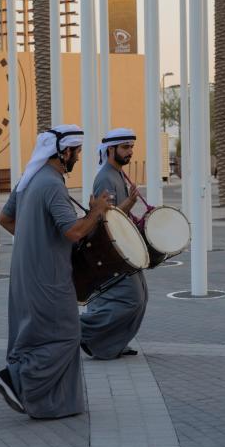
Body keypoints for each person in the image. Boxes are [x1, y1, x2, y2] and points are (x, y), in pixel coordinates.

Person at [0, 124, 110, 419]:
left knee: (35, 336)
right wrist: (96, 212)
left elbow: (5, 219)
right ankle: (15, 378)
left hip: (25, 274)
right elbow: (74, 232)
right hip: (49, 278)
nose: (78, 157)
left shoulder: (29, 179)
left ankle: (50, 405)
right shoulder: (52, 185)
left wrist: (36, 241)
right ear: (64, 152)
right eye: (77, 152)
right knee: (67, 336)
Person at [80, 128, 147, 360]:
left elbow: (119, 215)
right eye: (125, 147)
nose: (130, 151)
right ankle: (81, 330)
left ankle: (112, 345)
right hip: (111, 253)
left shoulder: (118, 174)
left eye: (131, 147)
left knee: (141, 297)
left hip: (124, 248)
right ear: (111, 150)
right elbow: (105, 219)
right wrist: (130, 202)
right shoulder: (105, 178)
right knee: (131, 299)